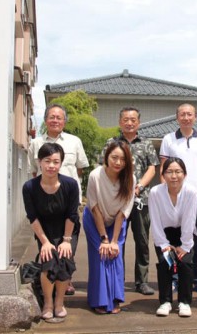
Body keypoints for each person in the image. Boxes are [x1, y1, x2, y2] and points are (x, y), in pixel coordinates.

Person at [28, 103, 89, 295]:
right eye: (51, 117)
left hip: (68, 200)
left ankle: (66, 278)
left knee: (68, 241)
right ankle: (49, 277)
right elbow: (33, 171)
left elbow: (79, 169)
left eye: (59, 117)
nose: (55, 120)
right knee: (46, 241)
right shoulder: (35, 143)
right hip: (43, 200)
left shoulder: (74, 141)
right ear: (46, 120)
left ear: (64, 121)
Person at [99, 107, 159, 295]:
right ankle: (118, 279)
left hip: (141, 199)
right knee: (119, 240)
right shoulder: (112, 142)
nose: (129, 123)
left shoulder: (146, 143)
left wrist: (139, 186)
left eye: (133, 120)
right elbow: (104, 165)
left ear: (138, 123)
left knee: (142, 240)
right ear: (120, 122)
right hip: (117, 199)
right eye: (126, 119)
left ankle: (142, 281)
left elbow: (152, 168)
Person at [159, 103, 197, 295]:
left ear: (195, 117)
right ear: (177, 117)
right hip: (175, 195)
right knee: (175, 238)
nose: (186, 117)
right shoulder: (168, 139)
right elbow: (163, 169)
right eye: (182, 114)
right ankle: (175, 278)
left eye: (189, 114)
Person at [22, 142, 80, 321]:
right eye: (47, 161)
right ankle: (47, 302)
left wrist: (66, 240)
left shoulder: (70, 185)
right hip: (44, 230)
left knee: (64, 260)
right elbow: (32, 217)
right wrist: (45, 242)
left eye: (56, 161)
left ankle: (59, 302)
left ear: (61, 163)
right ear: (40, 162)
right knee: (48, 261)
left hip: (68, 230)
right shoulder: (30, 187)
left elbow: (72, 214)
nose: (51, 166)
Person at [84, 140, 135, 314]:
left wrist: (113, 241)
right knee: (100, 255)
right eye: (114, 157)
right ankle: (99, 300)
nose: (118, 162)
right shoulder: (95, 176)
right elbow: (94, 207)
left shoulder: (130, 179)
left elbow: (123, 212)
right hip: (94, 218)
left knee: (115, 255)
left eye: (122, 159)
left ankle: (114, 299)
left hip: (117, 220)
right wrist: (104, 239)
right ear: (107, 156)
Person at [149, 157, 197, 318]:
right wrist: (163, 244)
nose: (174, 176)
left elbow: (189, 220)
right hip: (164, 236)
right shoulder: (155, 192)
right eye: (169, 172)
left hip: (186, 234)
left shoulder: (191, 192)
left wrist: (184, 246)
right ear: (163, 175)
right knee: (165, 263)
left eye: (178, 172)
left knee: (185, 263)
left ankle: (184, 302)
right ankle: (165, 301)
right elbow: (155, 220)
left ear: (184, 174)